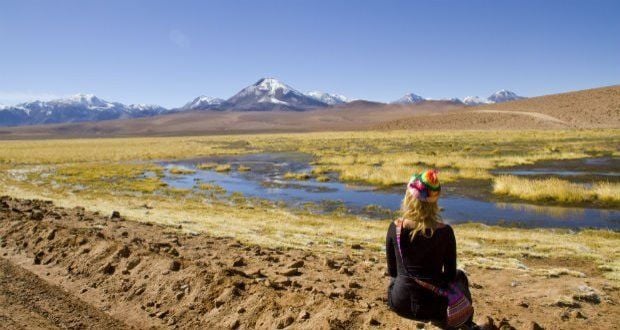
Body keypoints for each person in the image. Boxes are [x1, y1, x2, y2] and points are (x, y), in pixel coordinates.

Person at [385, 170, 475, 329]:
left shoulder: (395, 227)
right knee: (459, 276)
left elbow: (392, 272)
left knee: (397, 278)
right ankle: (464, 322)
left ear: (409, 196)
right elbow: (449, 276)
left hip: (399, 303)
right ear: (435, 201)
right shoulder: (446, 231)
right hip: (435, 309)